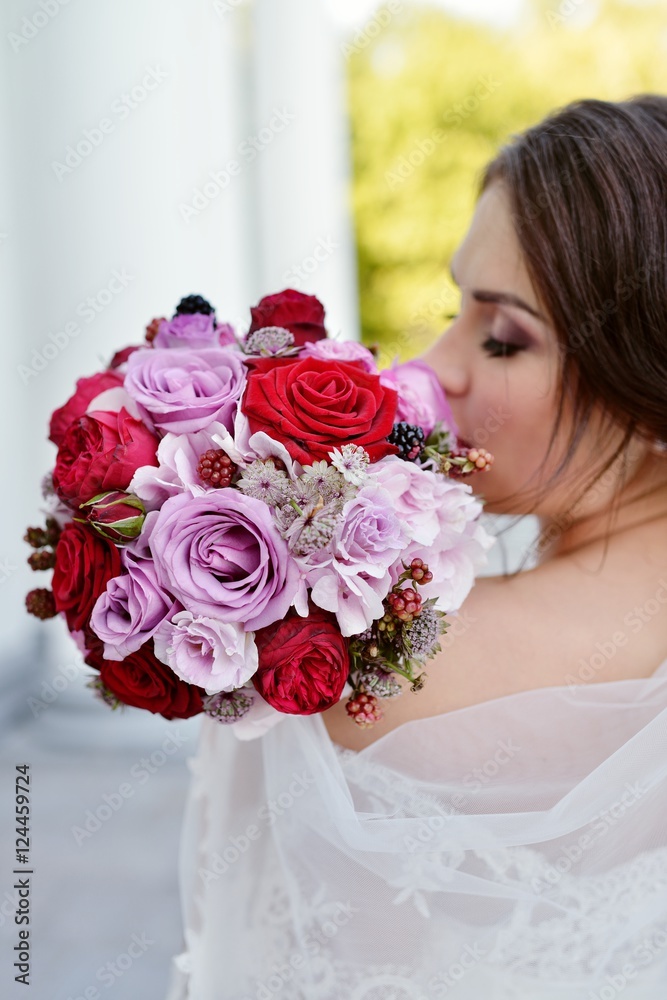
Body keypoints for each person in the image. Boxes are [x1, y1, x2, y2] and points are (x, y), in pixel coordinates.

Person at [165, 96, 667, 1000]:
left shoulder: (356, 670)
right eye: (455, 309)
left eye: (503, 335)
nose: (439, 364)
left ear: (647, 379)